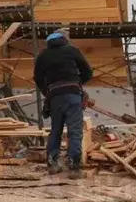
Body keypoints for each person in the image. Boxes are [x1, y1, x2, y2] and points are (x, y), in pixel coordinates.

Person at [33, 30, 93, 178]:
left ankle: (53, 164)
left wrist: (48, 92)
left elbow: (38, 78)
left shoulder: (43, 55)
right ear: (64, 39)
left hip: (54, 96)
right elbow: (87, 72)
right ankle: (74, 167)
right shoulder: (72, 50)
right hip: (72, 95)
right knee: (75, 130)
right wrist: (77, 83)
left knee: (56, 129)